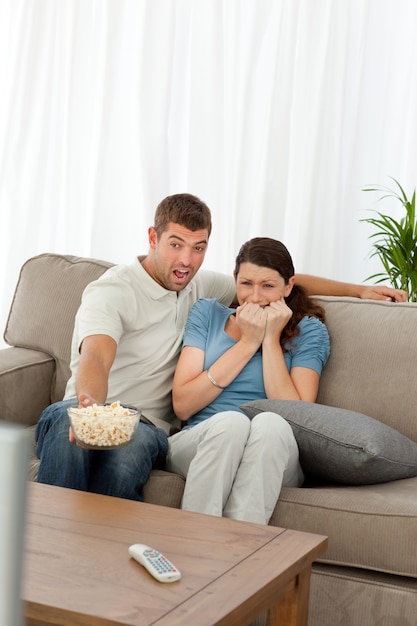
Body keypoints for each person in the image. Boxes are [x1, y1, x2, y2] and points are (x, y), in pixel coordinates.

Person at [35, 193, 406, 503]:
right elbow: (97, 355)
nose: (186, 260)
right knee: (70, 444)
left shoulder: (200, 286)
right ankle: (47, 556)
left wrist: (358, 291)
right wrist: (90, 409)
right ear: (153, 237)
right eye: (176, 244)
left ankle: (108, 560)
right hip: (87, 406)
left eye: (198, 248)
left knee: (124, 464)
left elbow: (273, 278)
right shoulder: (113, 290)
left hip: (147, 425)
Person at [166, 237, 330, 524]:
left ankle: (240, 550)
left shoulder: (309, 331)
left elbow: (298, 418)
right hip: (203, 440)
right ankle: (196, 542)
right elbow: (183, 405)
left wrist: (269, 339)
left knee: (270, 422)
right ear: (234, 280)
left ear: (288, 286)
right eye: (246, 284)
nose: (255, 297)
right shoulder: (207, 313)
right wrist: (247, 343)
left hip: (274, 449)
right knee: (232, 423)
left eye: (268, 286)